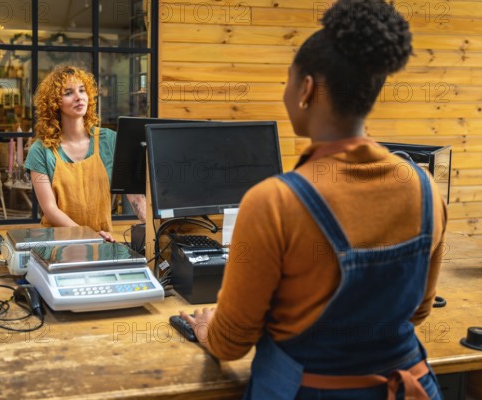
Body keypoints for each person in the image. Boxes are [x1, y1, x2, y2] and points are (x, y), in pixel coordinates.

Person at [180, 1, 448, 399]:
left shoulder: (274, 202)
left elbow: (231, 343)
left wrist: (207, 329)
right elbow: (418, 312)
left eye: (288, 80)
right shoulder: (425, 189)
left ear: (306, 90)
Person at [25, 66, 146, 241]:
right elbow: (50, 210)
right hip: (57, 241)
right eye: (68, 93)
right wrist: (87, 236)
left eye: (82, 90)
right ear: (54, 103)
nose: (79, 97)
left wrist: (156, 230)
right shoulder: (41, 150)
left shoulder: (110, 141)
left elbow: (136, 198)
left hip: (103, 240)